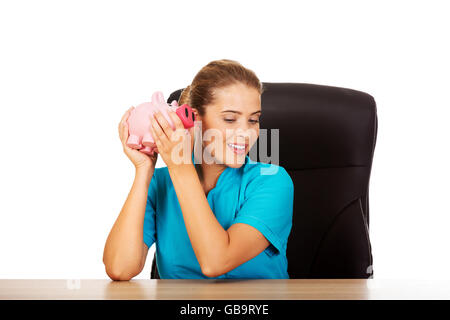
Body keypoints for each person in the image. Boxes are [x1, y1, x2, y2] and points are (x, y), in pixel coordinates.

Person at [103, 59, 294, 280]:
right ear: (192, 120)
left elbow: (216, 262)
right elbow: (119, 268)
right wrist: (144, 170)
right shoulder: (161, 183)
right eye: (230, 119)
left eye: (253, 120)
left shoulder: (272, 181)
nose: (246, 133)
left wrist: (180, 167)